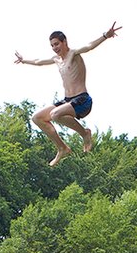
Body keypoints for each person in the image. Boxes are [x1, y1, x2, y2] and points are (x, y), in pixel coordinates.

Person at [14, 22, 121, 166]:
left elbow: (89, 46)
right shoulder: (56, 60)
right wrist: (24, 61)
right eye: (52, 45)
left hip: (82, 101)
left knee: (55, 115)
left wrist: (105, 36)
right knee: (37, 118)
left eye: (57, 44)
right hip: (67, 101)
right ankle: (62, 148)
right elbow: (38, 61)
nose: (55, 48)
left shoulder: (74, 54)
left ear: (65, 42)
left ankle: (85, 133)